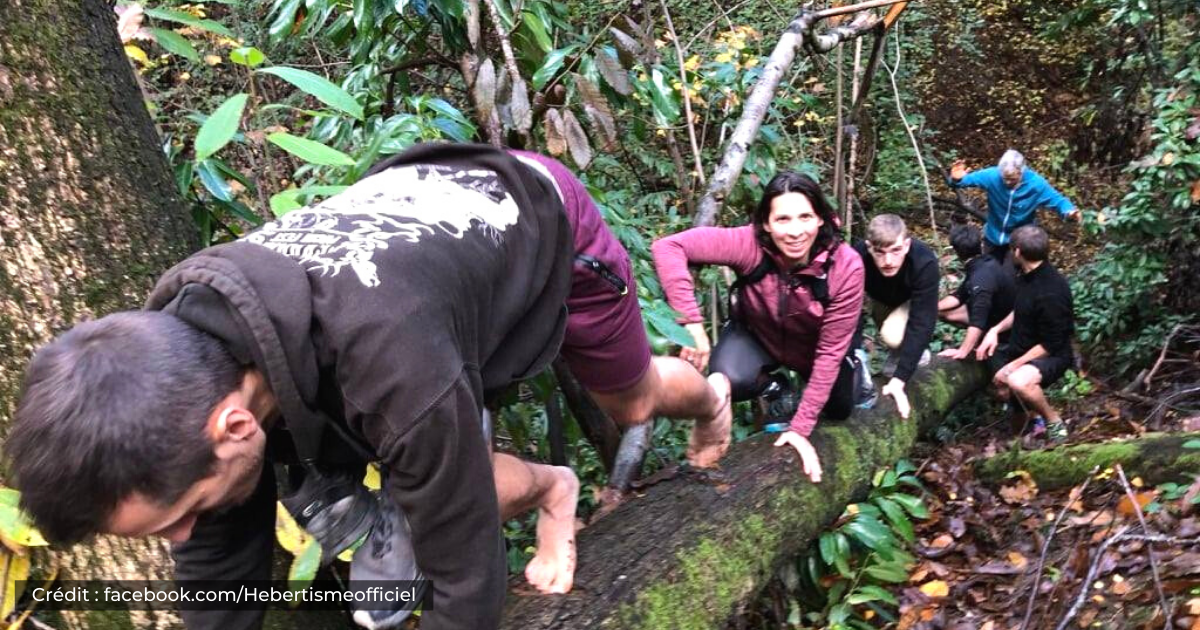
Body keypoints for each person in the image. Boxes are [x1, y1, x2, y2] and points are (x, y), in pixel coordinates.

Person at [5, 143, 729, 630]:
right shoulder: (186, 345)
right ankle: (553, 484)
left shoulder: (392, 369)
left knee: (630, 402)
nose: (182, 535)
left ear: (235, 426)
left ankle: (714, 398)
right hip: (418, 247)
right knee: (423, 470)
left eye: (178, 516)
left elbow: (465, 591)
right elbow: (222, 556)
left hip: (536, 213)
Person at [651, 172, 866, 484]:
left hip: (816, 350)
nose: (795, 231)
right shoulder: (748, 243)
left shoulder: (846, 266)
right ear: (765, 223)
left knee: (840, 409)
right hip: (758, 335)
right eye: (783, 219)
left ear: (820, 218)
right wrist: (692, 324)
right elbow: (668, 247)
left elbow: (830, 352)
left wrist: (800, 430)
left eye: (805, 217)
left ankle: (860, 367)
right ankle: (778, 389)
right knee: (728, 378)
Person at [976, 225, 1075, 442]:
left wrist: (1012, 367)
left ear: (1018, 252)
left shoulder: (1052, 291)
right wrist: (995, 330)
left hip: (1051, 355)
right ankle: (1017, 442)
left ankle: (1053, 421)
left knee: (1018, 382)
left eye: (1011, 250)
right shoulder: (1026, 276)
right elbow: (1021, 309)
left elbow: (1051, 344)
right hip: (1022, 348)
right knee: (1014, 408)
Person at [853, 214, 939, 420]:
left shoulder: (923, 261)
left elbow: (923, 321)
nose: (888, 261)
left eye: (896, 251)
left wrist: (899, 380)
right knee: (889, 335)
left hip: (911, 301)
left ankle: (914, 353)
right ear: (868, 247)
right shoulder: (856, 257)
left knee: (893, 334)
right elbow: (850, 310)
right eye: (880, 253)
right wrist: (855, 358)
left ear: (907, 245)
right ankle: (899, 352)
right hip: (881, 299)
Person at [949, 149, 1081, 265]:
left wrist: (1069, 211)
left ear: (1021, 172)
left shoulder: (1036, 184)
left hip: (1019, 241)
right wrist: (955, 179)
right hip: (993, 236)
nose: (1007, 182)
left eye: (1011, 179)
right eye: (1004, 178)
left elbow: (1058, 201)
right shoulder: (992, 176)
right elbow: (961, 182)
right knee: (990, 272)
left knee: (1012, 278)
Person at [937, 223, 1016, 360]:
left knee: (975, 322)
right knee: (943, 312)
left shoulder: (981, 279)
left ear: (956, 251)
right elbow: (959, 296)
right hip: (992, 311)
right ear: (980, 244)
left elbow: (978, 320)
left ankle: (984, 344)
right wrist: (928, 307)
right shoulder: (982, 263)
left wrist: (962, 351)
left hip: (1003, 325)